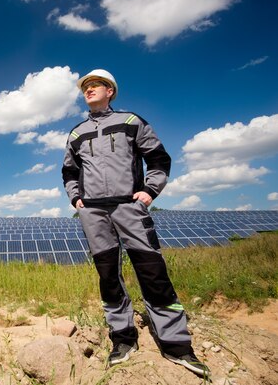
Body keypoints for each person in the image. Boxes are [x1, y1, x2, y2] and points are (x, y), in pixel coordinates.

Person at [62, 69, 209, 377]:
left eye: (94, 86)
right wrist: (76, 199)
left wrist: (149, 191)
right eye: (85, 87)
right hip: (93, 213)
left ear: (109, 91)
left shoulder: (131, 122)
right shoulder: (76, 133)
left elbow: (158, 159)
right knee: (108, 276)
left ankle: (177, 345)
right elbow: (69, 171)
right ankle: (123, 339)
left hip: (129, 207)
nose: (88, 90)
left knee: (152, 271)